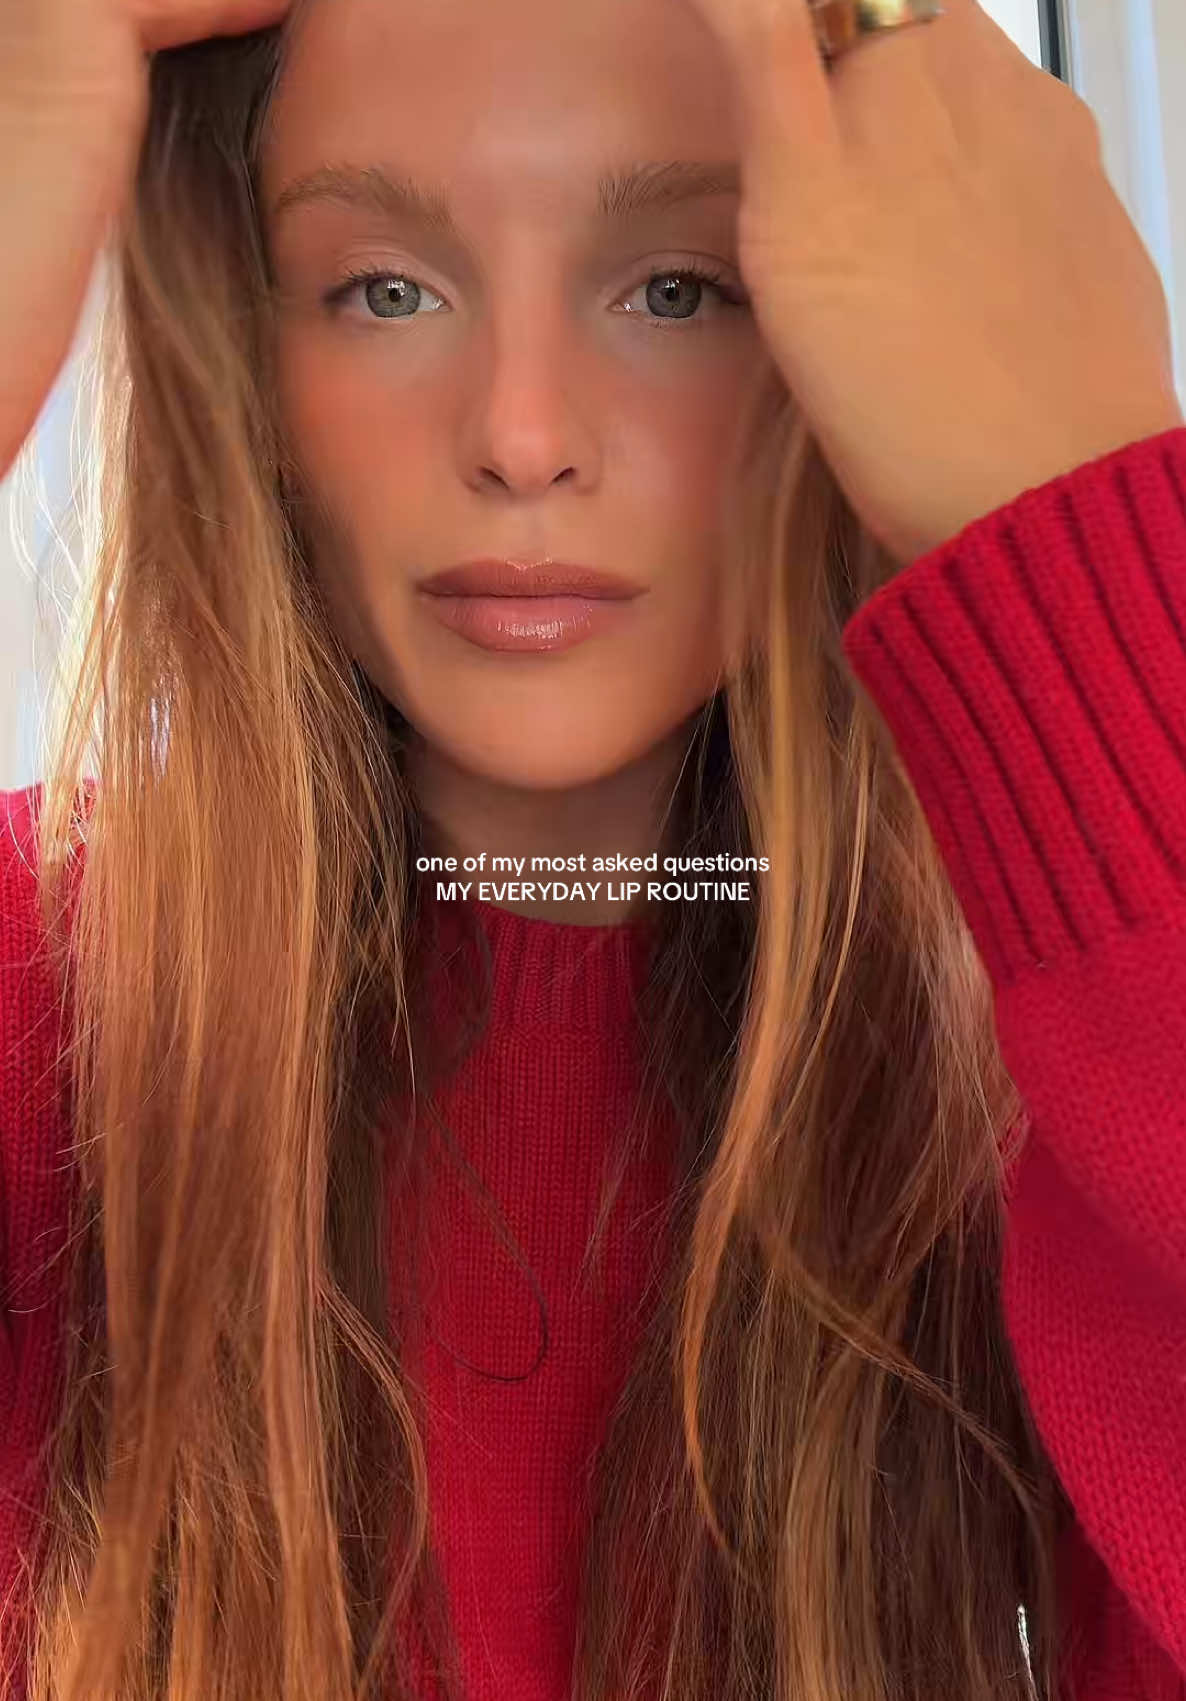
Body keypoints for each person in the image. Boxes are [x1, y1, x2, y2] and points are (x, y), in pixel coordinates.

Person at [0, 0, 1183, 1698]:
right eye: (383, 289)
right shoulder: (38, 998)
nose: (523, 434)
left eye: (676, 290)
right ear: (244, 360)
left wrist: (1063, 508)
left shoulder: (1060, 1068)